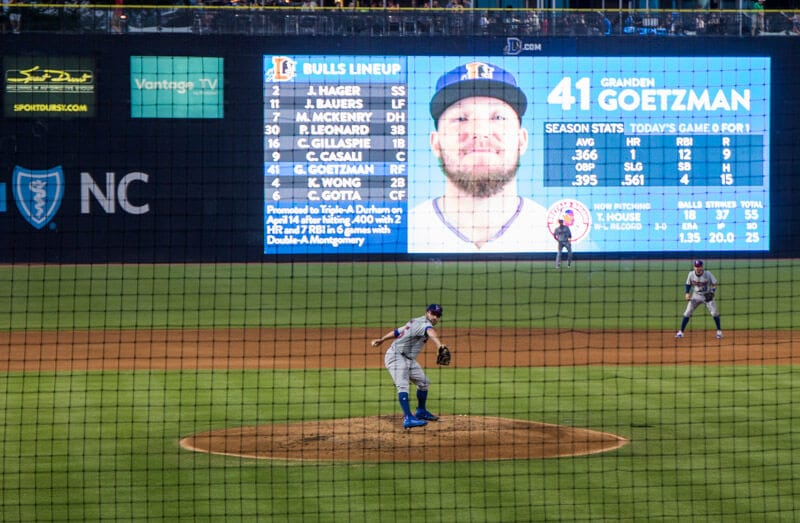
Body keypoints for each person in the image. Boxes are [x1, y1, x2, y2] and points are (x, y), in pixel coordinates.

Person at [408, 62, 553, 253]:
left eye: (498, 118)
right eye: (460, 119)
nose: (480, 132)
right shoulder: (406, 231)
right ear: (436, 143)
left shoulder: (555, 235)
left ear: (522, 140)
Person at [371, 304, 447, 429]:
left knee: (424, 383)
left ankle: (421, 411)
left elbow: (397, 332)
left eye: (438, 316)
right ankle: (408, 418)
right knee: (403, 385)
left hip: (408, 359)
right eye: (433, 314)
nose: (435, 317)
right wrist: (439, 345)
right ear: (427, 313)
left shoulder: (415, 321)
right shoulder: (424, 324)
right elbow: (430, 331)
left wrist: (382, 339)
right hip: (396, 357)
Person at [675, 260, 723, 339]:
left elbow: (714, 284)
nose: (698, 268)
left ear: (702, 266)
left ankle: (719, 332)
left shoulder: (708, 274)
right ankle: (681, 332)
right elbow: (688, 284)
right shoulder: (691, 274)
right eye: (696, 266)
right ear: (694, 267)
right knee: (687, 312)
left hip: (707, 296)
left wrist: (712, 291)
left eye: (699, 266)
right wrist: (687, 293)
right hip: (696, 296)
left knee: (714, 313)